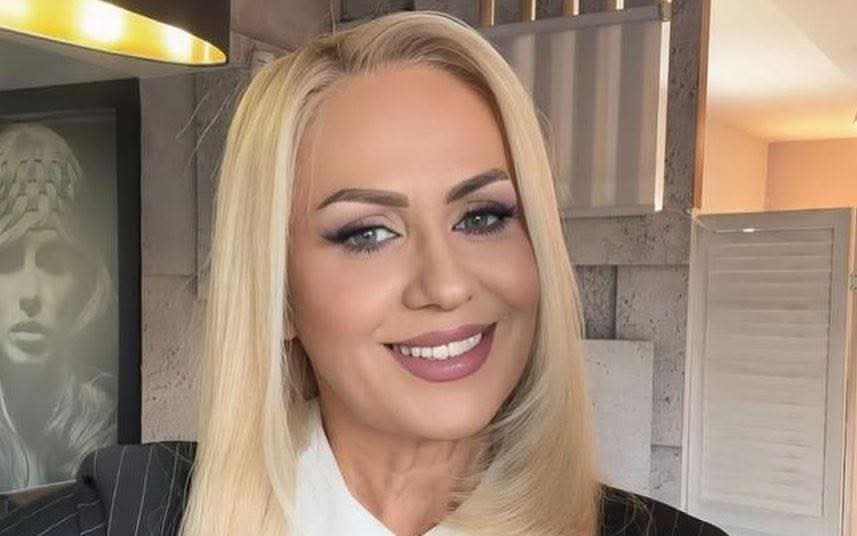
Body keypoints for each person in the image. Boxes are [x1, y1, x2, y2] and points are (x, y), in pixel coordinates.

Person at [0, 11, 729, 536]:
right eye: (367, 232)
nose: (445, 285)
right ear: (280, 298)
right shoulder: (124, 516)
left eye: (482, 216)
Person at [0, 123, 116, 496]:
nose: (30, 294)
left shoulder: (108, 426)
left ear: (84, 280)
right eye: (7, 260)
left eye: (52, 262)